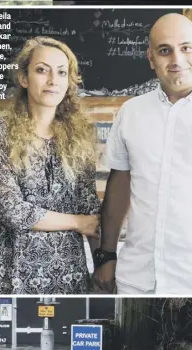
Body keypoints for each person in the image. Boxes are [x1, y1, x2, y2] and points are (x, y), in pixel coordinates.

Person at [0, 36, 101, 294]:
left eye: (61, 72)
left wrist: (104, 267)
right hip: (11, 270)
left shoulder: (82, 136)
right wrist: (78, 222)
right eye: (42, 70)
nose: (53, 80)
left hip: (68, 272)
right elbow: (10, 209)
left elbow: (90, 209)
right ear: (24, 78)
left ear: (69, 82)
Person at [91, 12, 192, 295]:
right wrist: (107, 255)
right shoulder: (131, 112)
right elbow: (119, 184)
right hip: (137, 278)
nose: (176, 60)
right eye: (164, 50)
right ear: (151, 59)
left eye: (186, 48)